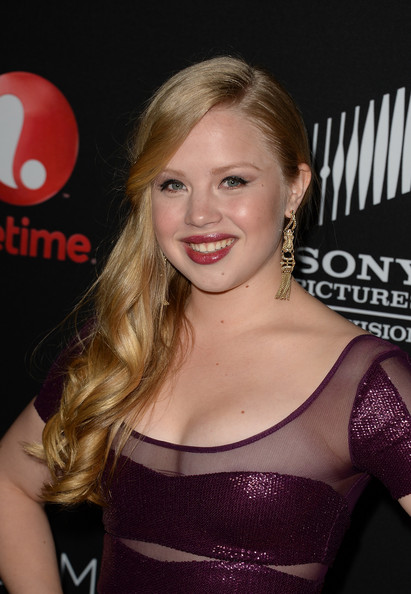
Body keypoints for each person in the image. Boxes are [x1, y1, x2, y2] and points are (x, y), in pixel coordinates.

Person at [0, 55, 410, 594]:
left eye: (232, 181)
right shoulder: (121, 342)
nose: (199, 215)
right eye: (172, 184)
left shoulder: (364, 384)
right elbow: (9, 481)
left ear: (294, 188)